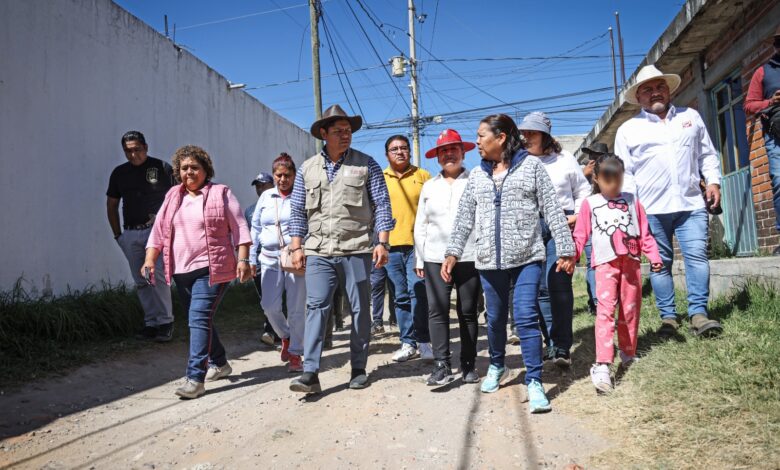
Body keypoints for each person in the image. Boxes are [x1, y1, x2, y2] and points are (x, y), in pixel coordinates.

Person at [444, 114, 576, 413]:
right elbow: (465, 216)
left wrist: (565, 248)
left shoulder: (531, 166)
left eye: (481, 135)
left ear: (500, 137)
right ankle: (497, 365)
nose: (476, 141)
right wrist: (452, 252)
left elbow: (552, 209)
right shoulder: (477, 176)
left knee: (526, 315)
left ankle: (534, 381)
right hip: (489, 260)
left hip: (528, 256)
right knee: (494, 318)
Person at [288, 105, 394, 394]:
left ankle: (358, 367)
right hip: (319, 251)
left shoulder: (366, 165)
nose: (345, 136)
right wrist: (297, 247)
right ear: (324, 133)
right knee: (316, 307)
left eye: (348, 131)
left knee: (360, 311)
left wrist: (382, 242)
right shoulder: (307, 169)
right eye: (338, 131)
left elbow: (382, 205)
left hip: (356, 248)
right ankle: (310, 372)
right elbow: (297, 210)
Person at [615, 64, 723, 338]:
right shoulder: (628, 130)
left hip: (690, 204)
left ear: (669, 89)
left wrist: (712, 181)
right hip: (650, 210)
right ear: (638, 97)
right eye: (647, 89)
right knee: (659, 263)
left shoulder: (691, 117)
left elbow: (707, 155)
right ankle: (669, 319)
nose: (655, 93)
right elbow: (624, 176)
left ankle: (699, 314)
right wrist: (631, 211)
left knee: (697, 257)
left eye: (660, 86)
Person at [144, 145, 252, 399]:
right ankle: (221, 363)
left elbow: (239, 226)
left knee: (198, 318)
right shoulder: (173, 195)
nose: (189, 172)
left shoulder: (220, 193)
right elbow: (159, 230)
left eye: (195, 167)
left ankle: (195, 378)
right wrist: (150, 259)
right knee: (200, 319)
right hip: (180, 270)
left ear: (206, 170)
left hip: (212, 269)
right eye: (184, 168)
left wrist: (244, 259)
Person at [571, 153, 663, 391]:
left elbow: (644, 233)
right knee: (605, 311)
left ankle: (628, 352)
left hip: (631, 263)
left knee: (631, 309)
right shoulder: (589, 204)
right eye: (607, 179)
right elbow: (580, 234)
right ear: (596, 179)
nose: (613, 184)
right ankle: (602, 363)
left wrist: (653, 256)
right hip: (604, 264)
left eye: (618, 179)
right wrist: (571, 257)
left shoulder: (633, 201)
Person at [519, 112, 590, 367]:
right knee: (536, 287)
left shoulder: (565, 159)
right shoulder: (519, 162)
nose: (526, 137)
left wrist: (576, 217)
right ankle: (549, 342)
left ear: (545, 135)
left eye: (532, 133)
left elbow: (583, 191)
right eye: (523, 133)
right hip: (530, 227)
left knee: (557, 283)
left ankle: (561, 347)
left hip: (561, 222)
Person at [415, 129, 481, 386]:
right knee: (437, 311)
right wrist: (420, 259)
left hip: (469, 256)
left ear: (463, 153)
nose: (449, 154)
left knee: (468, 312)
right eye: (443, 150)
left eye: (453, 149)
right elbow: (421, 224)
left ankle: (469, 364)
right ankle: (441, 365)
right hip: (434, 257)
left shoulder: (475, 181)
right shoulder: (429, 187)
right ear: (437, 157)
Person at [107, 131, 175, 342]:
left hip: (155, 232)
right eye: (128, 151)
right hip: (130, 233)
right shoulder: (119, 173)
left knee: (158, 277)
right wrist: (118, 235)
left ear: (145, 147)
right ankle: (151, 323)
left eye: (137, 149)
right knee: (140, 280)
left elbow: (177, 198)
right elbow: (111, 204)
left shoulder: (161, 168)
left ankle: (166, 322)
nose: (133, 154)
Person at [249, 154, 306, 373]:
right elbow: (255, 229)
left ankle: (296, 354)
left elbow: (310, 226)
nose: (283, 179)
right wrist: (251, 257)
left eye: (287, 175)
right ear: (273, 176)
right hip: (269, 259)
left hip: (294, 258)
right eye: (278, 175)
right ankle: (286, 336)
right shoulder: (266, 197)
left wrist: (302, 249)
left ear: (294, 175)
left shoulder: (302, 196)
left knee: (295, 309)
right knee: (269, 306)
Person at [382, 135, 433, 363]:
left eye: (404, 148)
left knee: (418, 293)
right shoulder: (380, 178)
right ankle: (407, 342)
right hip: (390, 246)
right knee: (400, 296)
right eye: (394, 149)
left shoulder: (423, 176)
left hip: (418, 246)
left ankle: (424, 341)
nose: (400, 152)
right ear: (387, 154)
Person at [744, 26, 780, 256]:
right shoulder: (763, 72)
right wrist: (771, 102)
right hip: (776, 136)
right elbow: (748, 105)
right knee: (779, 181)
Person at [244, 172, 281, 347]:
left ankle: (278, 331)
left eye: (263, 184)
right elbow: (249, 236)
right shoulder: (250, 210)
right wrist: (247, 260)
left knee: (281, 296)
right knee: (265, 298)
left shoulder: (278, 204)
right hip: (258, 261)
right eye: (257, 185)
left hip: (277, 258)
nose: (260, 188)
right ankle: (271, 329)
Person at [580, 141, 609, 314]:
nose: (592, 159)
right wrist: (585, 175)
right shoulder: (581, 172)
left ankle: (606, 297)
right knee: (592, 262)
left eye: (596, 156)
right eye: (590, 156)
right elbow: (578, 194)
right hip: (588, 220)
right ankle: (597, 301)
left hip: (607, 221)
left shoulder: (612, 170)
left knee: (607, 261)